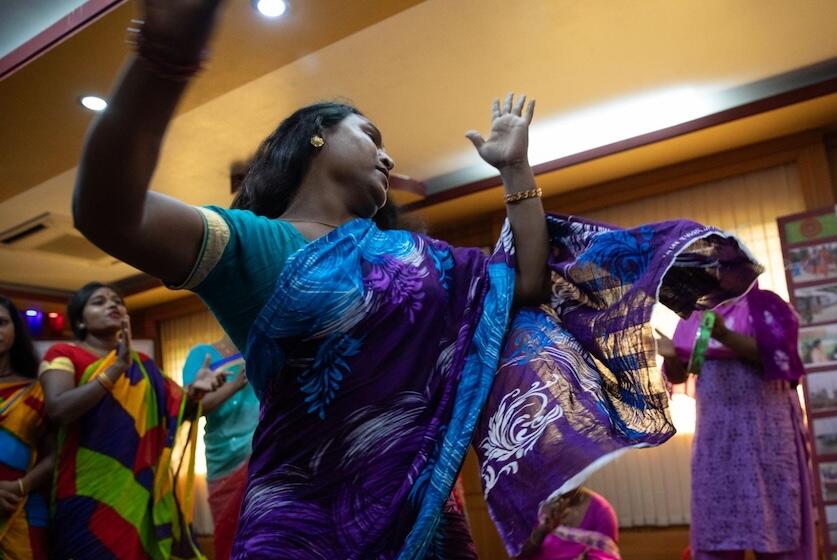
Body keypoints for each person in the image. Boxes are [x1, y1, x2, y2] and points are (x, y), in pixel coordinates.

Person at [71, 1, 760, 557]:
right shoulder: (259, 246)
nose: (388, 152)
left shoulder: (417, 261)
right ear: (315, 135)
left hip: (428, 532)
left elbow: (527, 282)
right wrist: (162, 62)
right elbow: (108, 212)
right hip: (299, 532)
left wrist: (516, 173)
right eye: (368, 133)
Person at [39, 283, 225, 559]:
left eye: (117, 301)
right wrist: (115, 368)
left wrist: (196, 392)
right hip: (87, 493)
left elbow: (176, 412)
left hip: (140, 492)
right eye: (99, 302)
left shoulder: (144, 365)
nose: (112, 305)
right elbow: (57, 409)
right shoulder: (64, 355)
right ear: (80, 319)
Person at [658, 285, 815, 560]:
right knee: (718, 532)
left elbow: (776, 358)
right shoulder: (700, 311)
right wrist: (671, 357)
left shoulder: (766, 305)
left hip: (766, 435)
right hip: (718, 441)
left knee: (777, 529)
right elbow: (688, 370)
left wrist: (725, 335)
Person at [181, 336, 256, 560]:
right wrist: (235, 385)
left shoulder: (264, 345)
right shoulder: (202, 354)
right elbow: (190, 407)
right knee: (230, 537)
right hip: (227, 460)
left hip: (270, 454)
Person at [0, 297, 52, 559]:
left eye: (1, 323)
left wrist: (20, 486)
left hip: (24, 508)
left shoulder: (38, 391)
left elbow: (56, 453)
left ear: (15, 331)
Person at [520, 487, 620, 559]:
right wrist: (541, 532)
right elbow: (519, 555)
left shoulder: (600, 510)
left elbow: (607, 553)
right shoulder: (533, 508)